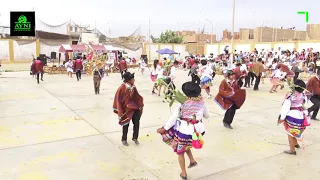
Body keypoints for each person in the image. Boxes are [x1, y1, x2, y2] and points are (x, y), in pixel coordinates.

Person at [157, 81, 209, 180]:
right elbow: (207, 116)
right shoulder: (202, 102)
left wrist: (164, 128)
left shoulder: (182, 104)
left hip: (185, 132)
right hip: (198, 131)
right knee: (185, 144)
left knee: (180, 151)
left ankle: (184, 174)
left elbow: (173, 119)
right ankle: (192, 160)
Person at [278, 79, 310, 155]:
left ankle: (292, 150)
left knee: (290, 133)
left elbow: (285, 108)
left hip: (293, 116)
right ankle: (295, 144)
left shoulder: (290, 96)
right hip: (302, 116)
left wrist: (281, 118)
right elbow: (305, 106)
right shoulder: (304, 95)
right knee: (296, 131)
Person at [113, 72, 144, 146]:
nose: (134, 80)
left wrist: (140, 104)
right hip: (126, 109)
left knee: (136, 123)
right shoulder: (122, 88)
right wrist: (120, 110)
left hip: (134, 108)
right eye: (133, 79)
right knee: (125, 124)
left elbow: (137, 97)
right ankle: (124, 139)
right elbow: (118, 99)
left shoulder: (133, 87)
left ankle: (135, 138)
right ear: (129, 80)